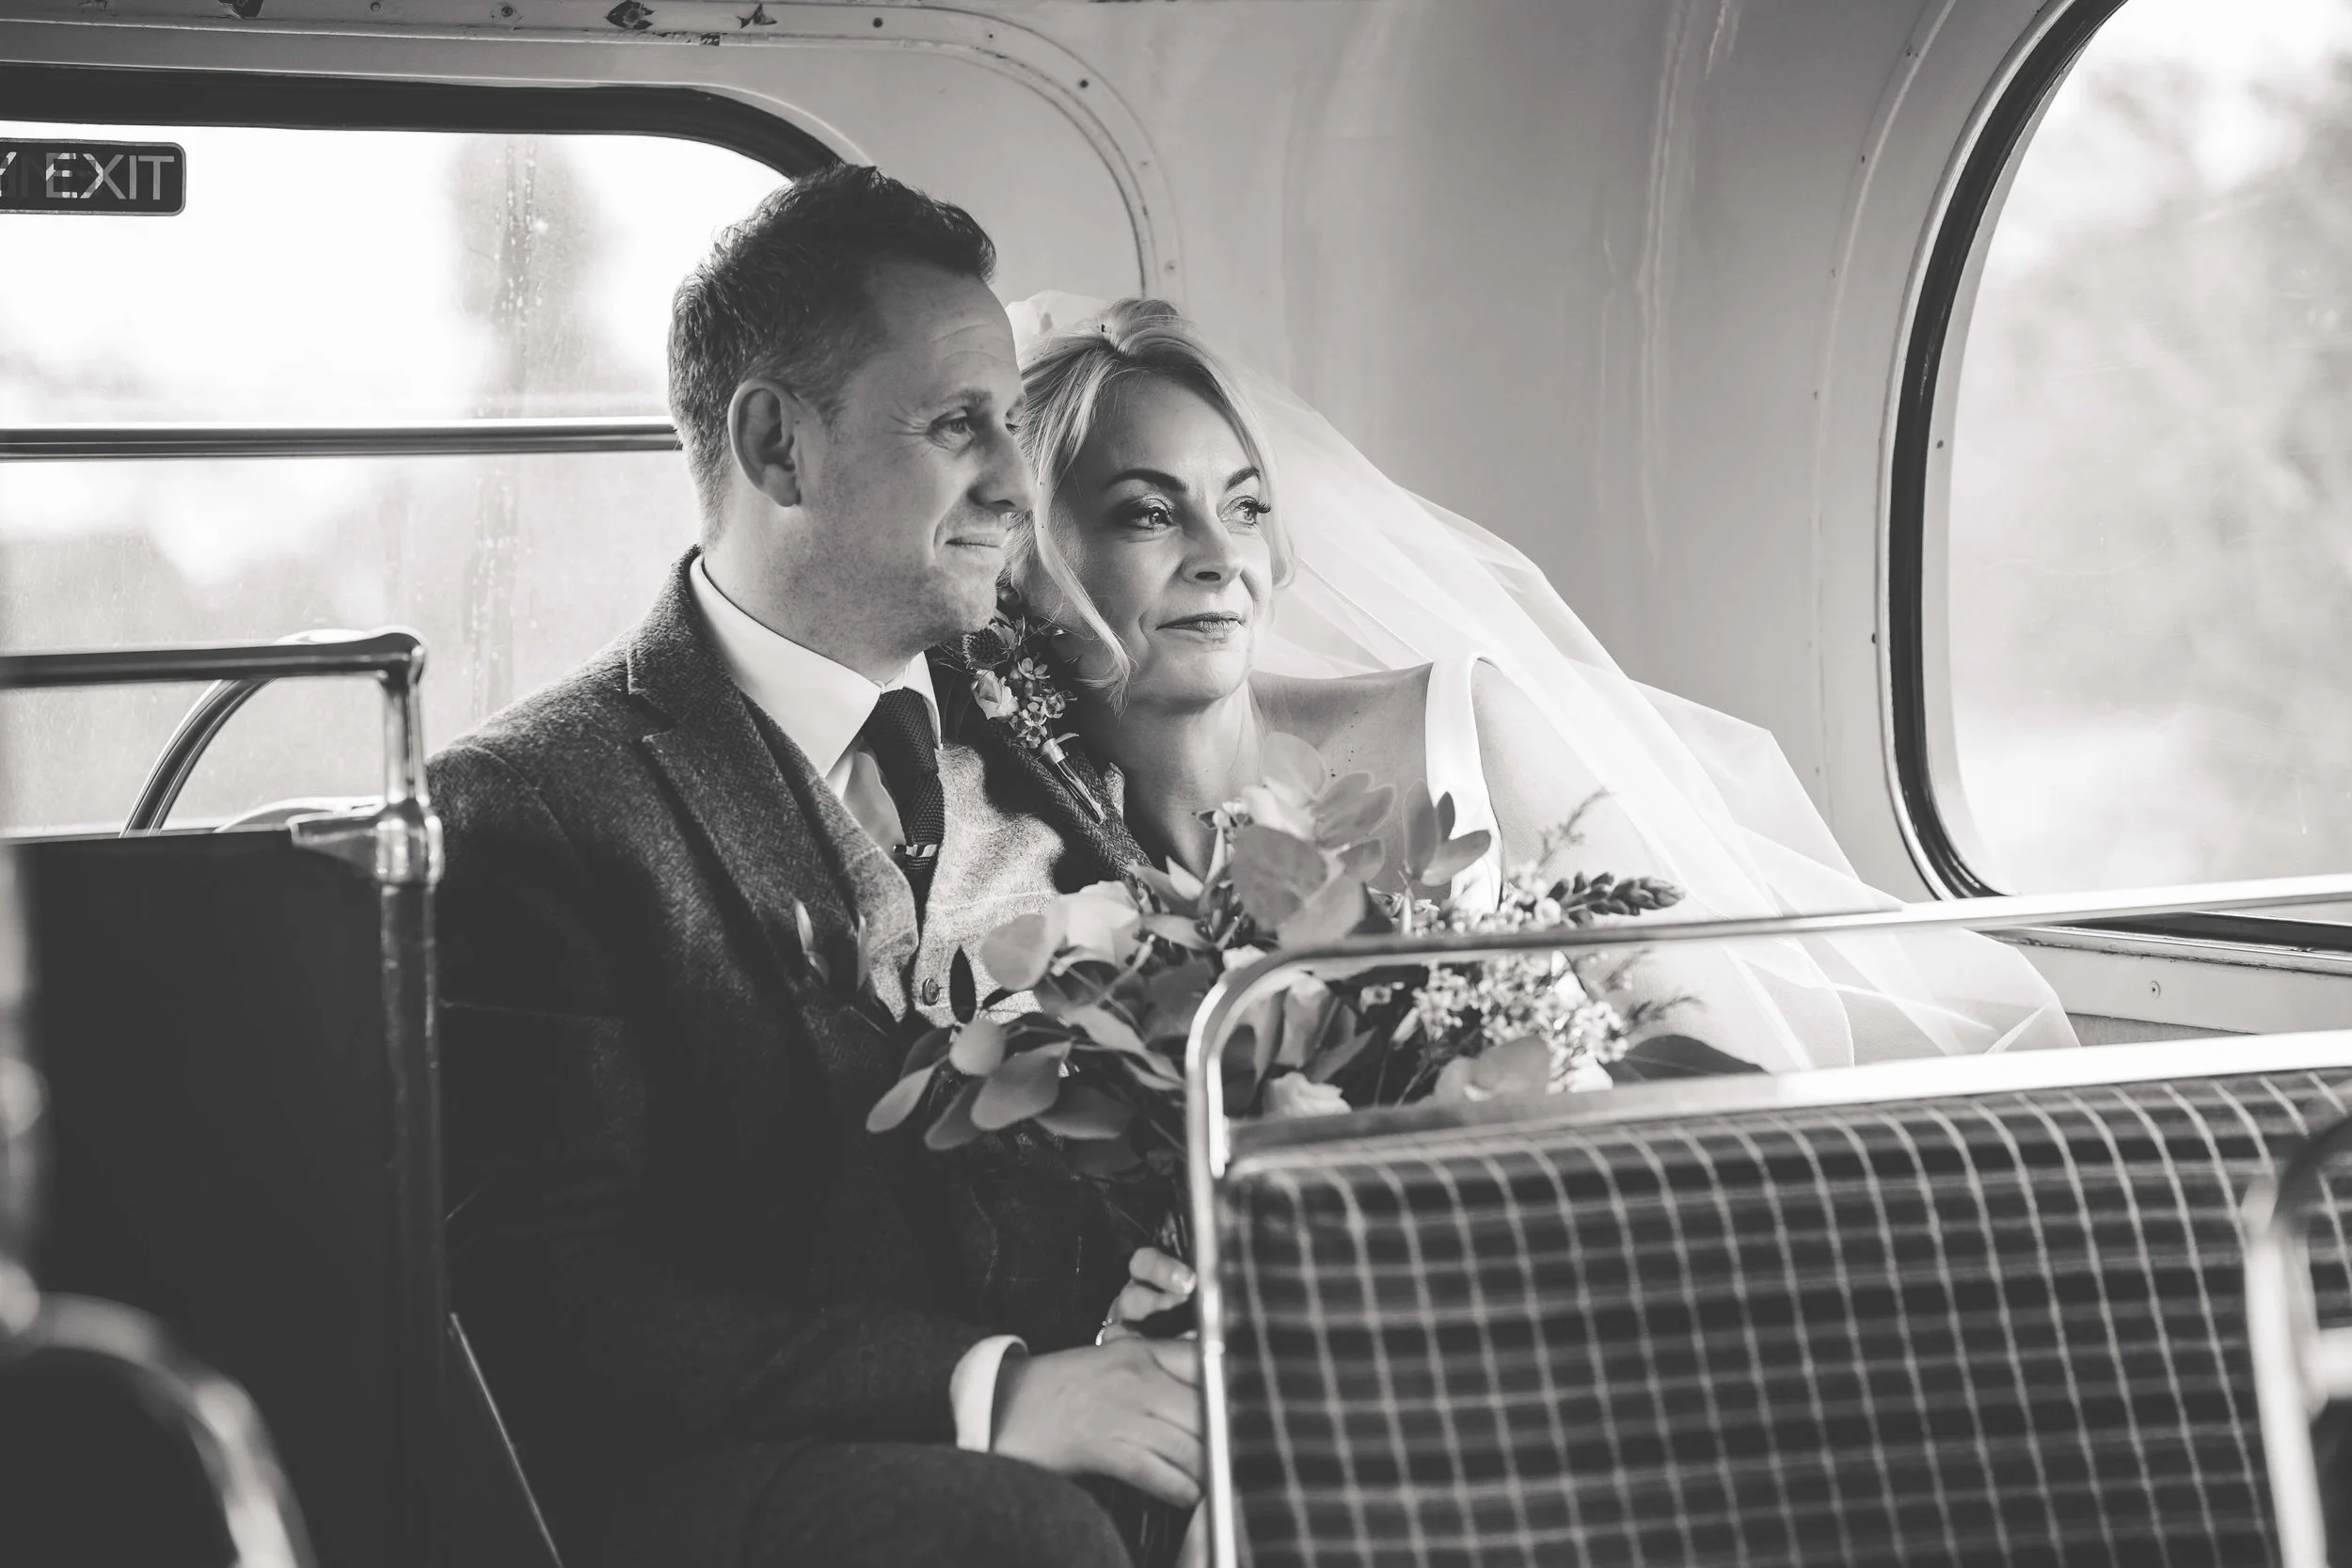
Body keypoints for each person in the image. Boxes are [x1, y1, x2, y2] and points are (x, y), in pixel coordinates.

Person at [430, 170, 1200, 1568]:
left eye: (1013, 423)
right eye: (958, 423)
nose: (1018, 482)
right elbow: (543, 1297)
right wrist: (995, 1390)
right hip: (749, 1485)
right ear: (779, 447)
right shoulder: (530, 806)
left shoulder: (1038, 726)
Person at [1004, 294, 2077, 1069]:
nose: (1218, 555)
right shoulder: (1013, 836)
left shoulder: (1464, 731)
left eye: (1242, 507)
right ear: (1034, 560)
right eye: (1148, 511)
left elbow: (1714, 1071)